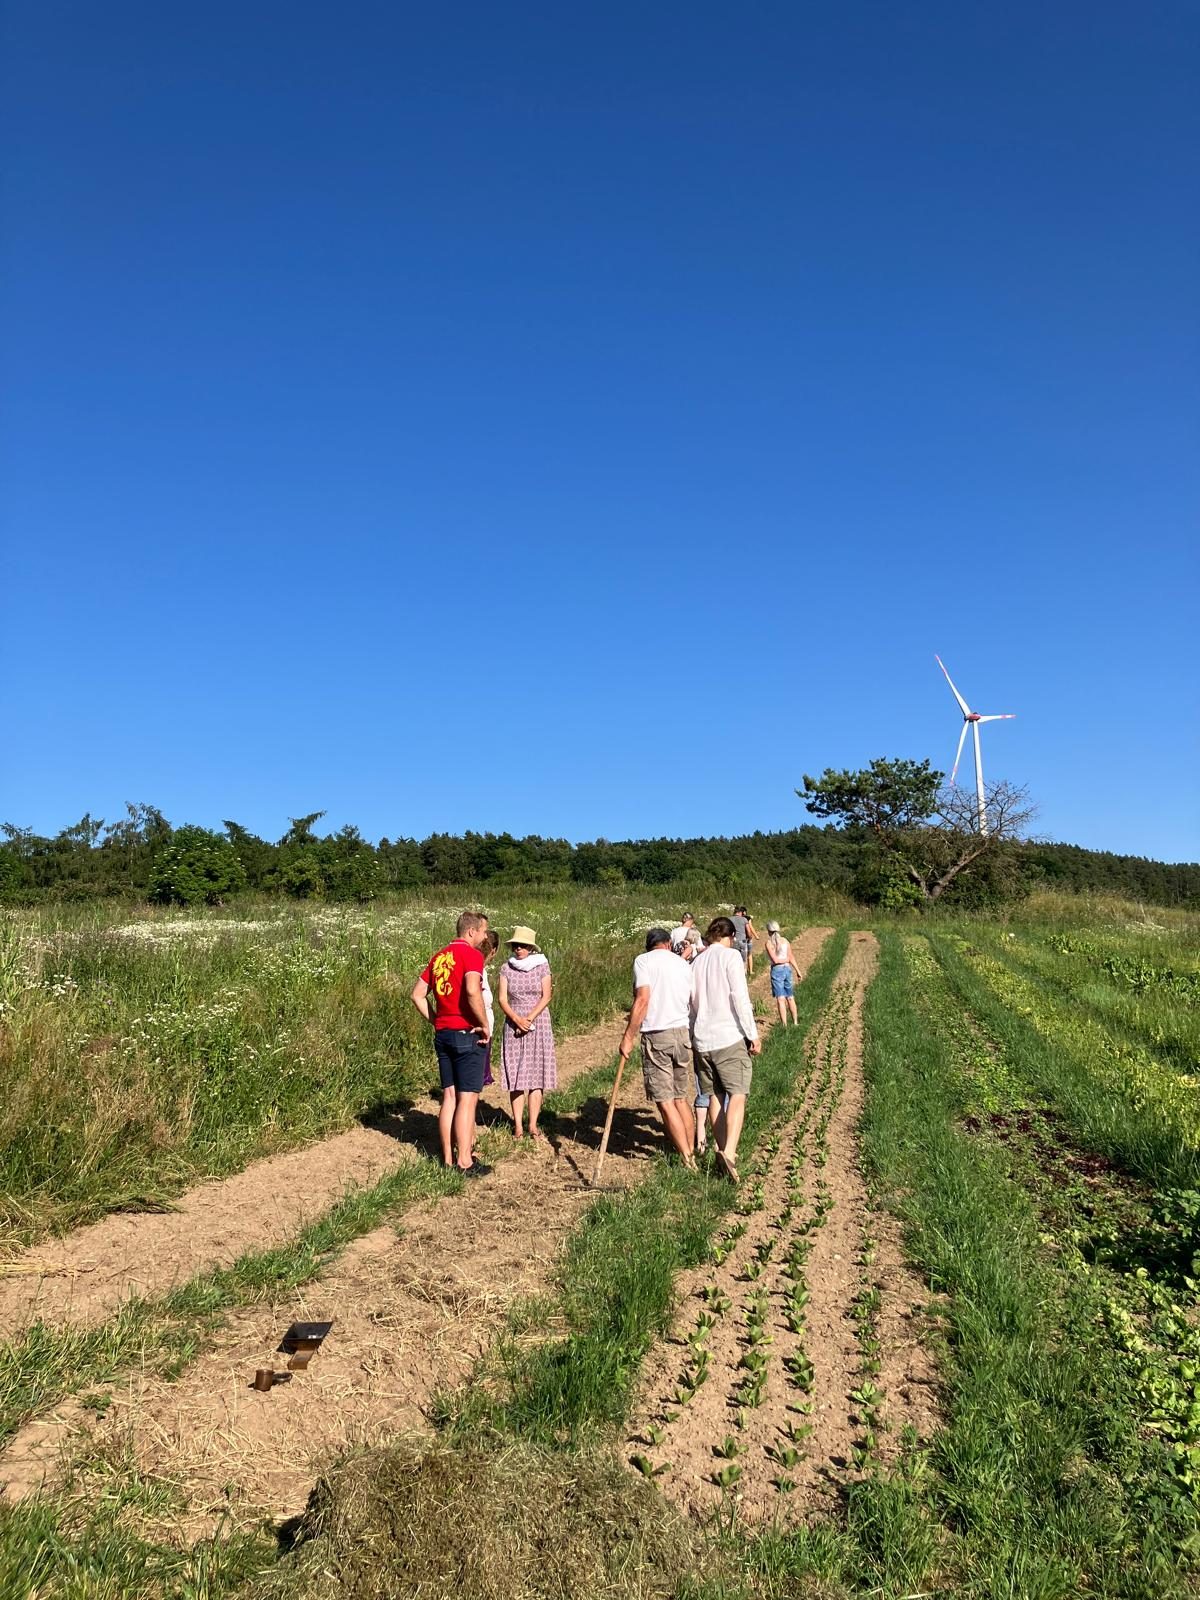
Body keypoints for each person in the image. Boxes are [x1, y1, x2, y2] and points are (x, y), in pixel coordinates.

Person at [411, 911, 493, 1176]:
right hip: (466, 1033)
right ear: (471, 931)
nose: (484, 938)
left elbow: (417, 995)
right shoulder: (471, 956)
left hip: (443, 1033)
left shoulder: (439, 956)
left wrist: (436, 1019)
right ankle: (465, 1161)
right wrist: (483, 1023)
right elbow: (471, 991)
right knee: (467, 1099)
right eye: (482, 932)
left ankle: (447, 1157)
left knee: (449, 1096)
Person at [618, 928, 698, 1168]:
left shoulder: (643, 961)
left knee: (664, 1101)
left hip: (657, 1034)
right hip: (681, 1034)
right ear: (667, 944)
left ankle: (685, 1157)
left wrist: (628, 1036)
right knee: (681, 1098)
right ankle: (691, 1150)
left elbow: (642, 999)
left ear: (649, 945)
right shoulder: (683, 964)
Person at [690, 915, 761, 1183]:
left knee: (714, 1097)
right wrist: (752, 1034)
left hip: (702, 1041)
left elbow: (692, 1004)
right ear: (730, 937)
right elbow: (740, 998)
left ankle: (721, 1150)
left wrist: (693, 1035)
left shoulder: (696, 962)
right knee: (738, 1094)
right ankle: (729, 1153)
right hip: (727, 1037)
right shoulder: (731, 958)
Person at [498, 926, 557, 1140]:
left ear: (531, 947)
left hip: (538, 1021)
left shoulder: (542, 965)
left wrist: (530, 1018)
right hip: (514, 1023)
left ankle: (533, 1125)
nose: (519, 948)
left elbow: (547, 995)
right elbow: (502, 999)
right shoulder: (506, 968)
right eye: (516, 945)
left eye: (523, 945)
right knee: (516, 1075)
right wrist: (516, 1019)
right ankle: (518, 1126)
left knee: (536, 1074)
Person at [764, 920, 803, 1027]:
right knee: (790, 997)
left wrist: (784, 959)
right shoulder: (785, 941)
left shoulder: (769, 943)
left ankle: (784, 1025)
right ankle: (795, 1022)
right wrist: (798, 971)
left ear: (769, 931)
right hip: (787, 969)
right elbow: (791, 957)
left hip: (777, 971)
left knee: (780, 998)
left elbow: (775, 960)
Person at [730, 906, 759, 976]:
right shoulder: (744, 919)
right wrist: (750, 937)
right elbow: (749, 931)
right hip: (742, 941)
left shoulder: (729, 919)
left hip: (733, 941)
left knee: (733, 958)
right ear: (740, 912)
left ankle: (734, 973)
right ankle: (743, 974)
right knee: (743, 959)